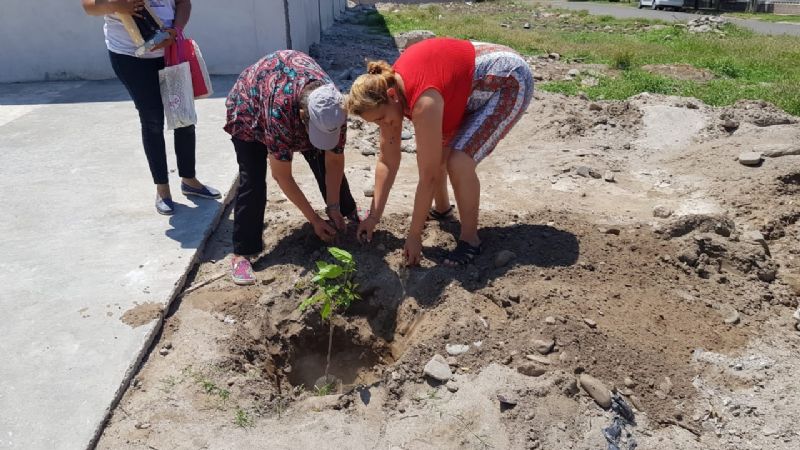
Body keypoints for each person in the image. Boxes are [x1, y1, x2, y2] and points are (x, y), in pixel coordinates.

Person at [346, 38, 534, 267]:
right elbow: (387, 160)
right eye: (375, 123)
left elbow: (429, 176)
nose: (382, 125)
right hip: (466, 82)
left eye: (381, 118)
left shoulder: (424, 102)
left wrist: (414, 236)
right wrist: (373, 217)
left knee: (458, 162)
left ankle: (470, 240)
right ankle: (442, 210)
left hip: (506, 79)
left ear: (392, 96)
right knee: (433, 153)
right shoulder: (391, 90)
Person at [224, 50, 360, 285]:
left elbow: (334, 159)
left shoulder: (334, 107)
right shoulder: (280, 113)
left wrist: (333, 206)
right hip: (251, 106)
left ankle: (347, 211)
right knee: (253, 179)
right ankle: (242, 253)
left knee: (321, 157)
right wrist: (314, 220)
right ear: (302, 117)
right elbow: (282, 175)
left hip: (295, 99)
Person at [82, 0, 220, 215]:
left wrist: (176, 30)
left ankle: (189, 180)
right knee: (152, 120)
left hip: (170, 49)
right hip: (130, 56)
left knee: (183, 115)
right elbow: (89, 6)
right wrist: (116, 5)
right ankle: (162, 189)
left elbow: (183, 3)